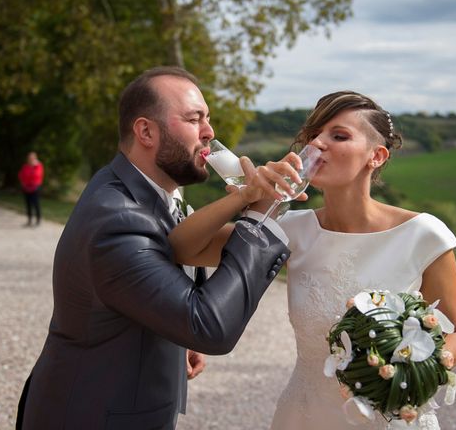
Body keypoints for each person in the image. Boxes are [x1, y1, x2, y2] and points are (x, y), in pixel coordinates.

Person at [168, 91, 456, 429]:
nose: (317, 144)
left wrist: (408, 376)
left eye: (338, 135)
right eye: (313, 136)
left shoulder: (423, 235)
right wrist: (248, 195)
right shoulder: (292, 229)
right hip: (304, 415)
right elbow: (184, 248)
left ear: (377, 156)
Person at [15, 66, 294, 430]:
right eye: (194, 120)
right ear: (146, 131)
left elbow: (162, 274)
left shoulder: (149, 191)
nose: (210, 133)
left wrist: (175, 339)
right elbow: (208, 326)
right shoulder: (116, 219)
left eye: (207, 119)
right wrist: (259, 219)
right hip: (91, 415)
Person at [18, 151, 44, 226]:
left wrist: (34, 167)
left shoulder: (38, 166)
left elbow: (37, 175)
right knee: (28, 204)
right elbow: (21, 175)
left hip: (35, 188)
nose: (30, 159)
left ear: (35, 158)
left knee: (36, 204)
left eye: (32, 158)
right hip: (26, 188)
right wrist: (23, 183)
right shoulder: (25, 166)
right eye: (29, 158)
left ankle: (38, 220)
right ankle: (29, 220)